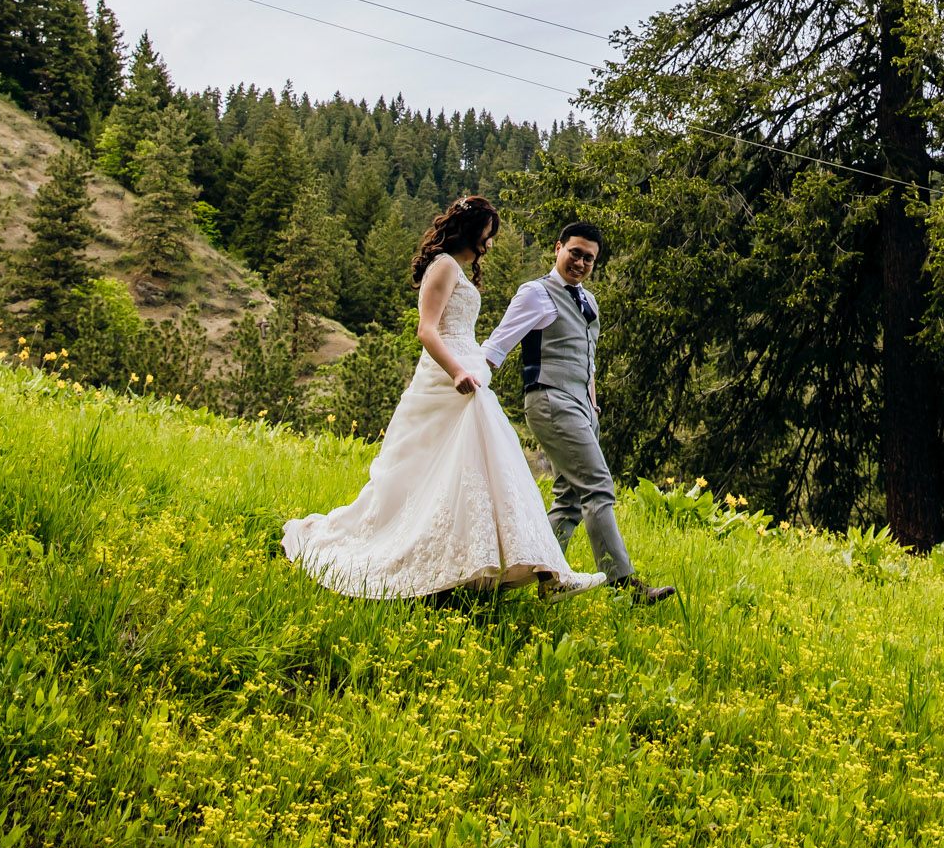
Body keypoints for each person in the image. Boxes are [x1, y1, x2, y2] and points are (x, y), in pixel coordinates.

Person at [282, 195, 607, 599]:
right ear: (470, 231)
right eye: (486, 236)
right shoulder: (444, 266)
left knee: (490, 473)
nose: (488, 245)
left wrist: (474, 370)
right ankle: (530, 571)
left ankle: (536, 570)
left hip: (471, 374)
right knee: (438, 473)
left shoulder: (459, 270)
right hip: (450, 379)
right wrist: (457, 372)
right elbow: (427, 330)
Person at [480, 218, 673, 602]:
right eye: (575, 254)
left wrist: (594, 406)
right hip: (550, 400)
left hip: (584, 408)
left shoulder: (588, 300)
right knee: (598, 487)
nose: (581, 263)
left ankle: (542, 581)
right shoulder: (535, 293)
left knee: (568, 500)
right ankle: (625, 585)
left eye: (589, 258)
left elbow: (590, 362)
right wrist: (465, 383)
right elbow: (496, 347)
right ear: (557, 249)